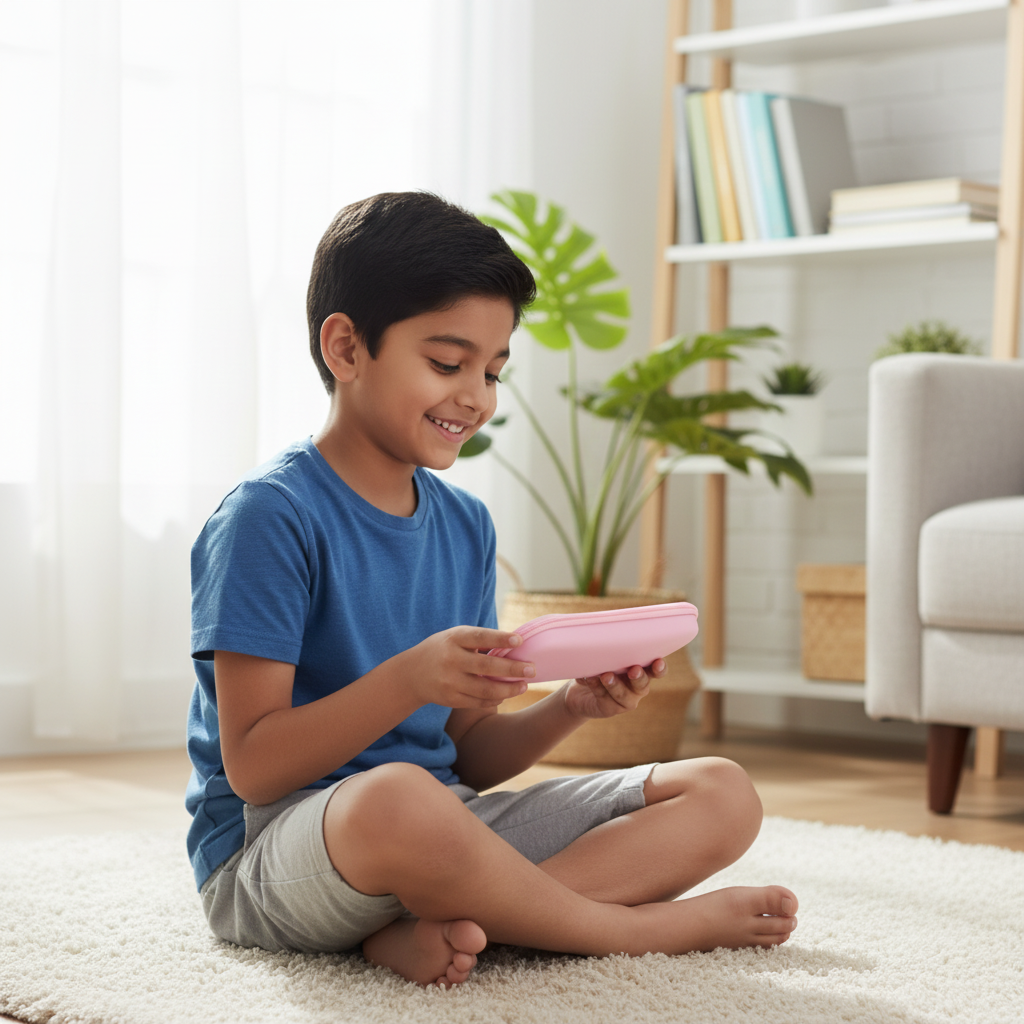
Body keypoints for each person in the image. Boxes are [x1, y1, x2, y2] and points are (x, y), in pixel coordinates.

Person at [185, 191, 798, 989]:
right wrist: (408, 678)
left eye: (493, 370)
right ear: (345, 347)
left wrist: (569, 708)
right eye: (447, 363)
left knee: (721, 792)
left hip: (442, 831)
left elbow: (468, 755)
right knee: (397, 802)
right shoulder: (270, 516)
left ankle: (433, 926)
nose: (476, 396)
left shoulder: (465, 525)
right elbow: (256, 768)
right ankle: (618, 933)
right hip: (275, 853)